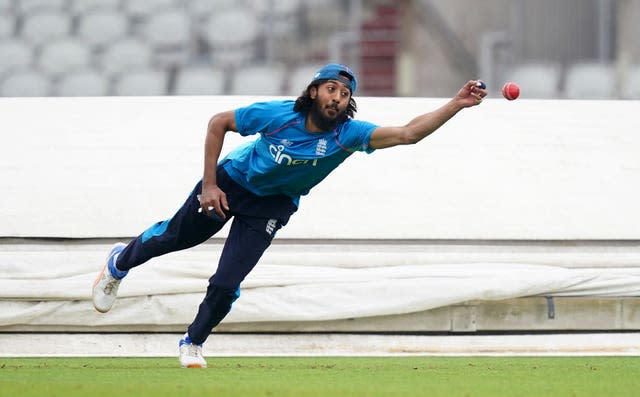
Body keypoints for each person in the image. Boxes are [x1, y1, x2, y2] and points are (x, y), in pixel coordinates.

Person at [92, 63, 487, 368]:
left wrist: (456, 104)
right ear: (314, 91)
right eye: (330, 88)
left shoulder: (347, 134)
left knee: (228, 280)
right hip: (232, 182)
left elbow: (407, 134)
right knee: (174, 239)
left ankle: (193, 342)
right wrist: (210, 185)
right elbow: (219, 123)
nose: (336, 97)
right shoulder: (277, 114)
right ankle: (118, 263)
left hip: (272, 203)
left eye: (344, 93)